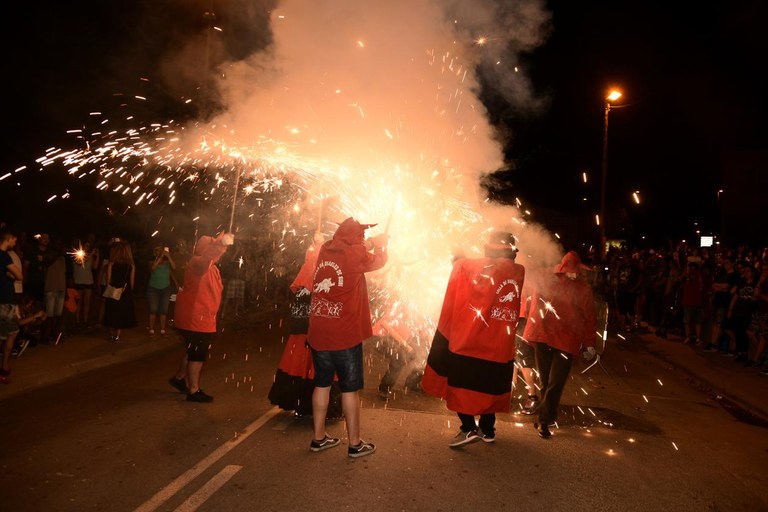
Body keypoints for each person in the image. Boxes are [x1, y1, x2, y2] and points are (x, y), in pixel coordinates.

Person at [422, 230, 525, 447]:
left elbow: (467, 267)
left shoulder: (476, 267)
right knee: (489, 389)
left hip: (471, 342)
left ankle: (468, 428)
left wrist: (458, 257)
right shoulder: (518, 271)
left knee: (461, 387)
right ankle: (487, 430)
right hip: (499, 346)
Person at [306, 218, 387, 458]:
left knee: (322, 384)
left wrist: (369, 242)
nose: (363, 239)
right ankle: (354, 443)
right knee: (349, 390)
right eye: (361, 236)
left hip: (319, 331)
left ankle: (318, 438)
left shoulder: (325, 249)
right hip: (344, 335)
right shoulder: (356, 254)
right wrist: (381, 245)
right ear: (356, 238)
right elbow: (379, 261)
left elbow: (353, 250)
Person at [523, 250, 597, 439]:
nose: (573, 275)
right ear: (562, 269)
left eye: (575, 272)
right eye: (569, 271)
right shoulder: (547, 279)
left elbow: (590, 317)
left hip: (567, 339)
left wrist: (589, 343)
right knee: (546, 381)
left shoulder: (583, 288)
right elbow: (534, 304)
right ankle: (545, 416)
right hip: (544, 336)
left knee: (556, 382)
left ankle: (544, 420)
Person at [268, 231, 342, 417]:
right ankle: (309, 405)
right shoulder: (316, 266)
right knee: (310, 357)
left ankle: (302, 403)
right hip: (310, 327)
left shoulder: (313, 269)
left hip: (307, 326)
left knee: (303, 356)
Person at [168, 232, 233, 403]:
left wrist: (222, 245)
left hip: (200, 317)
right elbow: (208, 257)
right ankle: (193, 390)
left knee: (193, 350)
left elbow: (211, 258)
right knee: (197, 354)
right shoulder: (198, 263)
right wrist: (221, 243)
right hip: (196, 318)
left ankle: (179, 378)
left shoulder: (210, 266)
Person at [103, 240, 137, 342]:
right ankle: (117, 336)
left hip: (113, 291)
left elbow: (108, 280)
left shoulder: (111, 264)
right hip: (124, 292)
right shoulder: (131, 265)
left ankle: (111, 334)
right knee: (121, 314)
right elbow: (132, 283)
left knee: (111, 312)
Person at [1, 230, 24, 384]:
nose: (15, 243)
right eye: (14, 240)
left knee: (10, 333)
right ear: (8, 239)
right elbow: (20, 276)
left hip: (3, 299)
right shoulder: (4, 256)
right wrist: (12, 275)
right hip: (5, 301)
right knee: (9, 334)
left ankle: (4, 366)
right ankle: (3, 367)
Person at [146, 245, 177, 337]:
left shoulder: (167, 263)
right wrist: (160, 257)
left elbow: (174, 267)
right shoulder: (151, 262)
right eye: (157, 251)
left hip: (165, 289)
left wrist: (169, 256)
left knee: (164, 310)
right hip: (153, 289)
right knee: (153, 309)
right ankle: (151, 329)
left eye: (161, 251)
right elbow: (153, 268)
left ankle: (162, 330)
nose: (160, 252)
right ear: (154, 253)